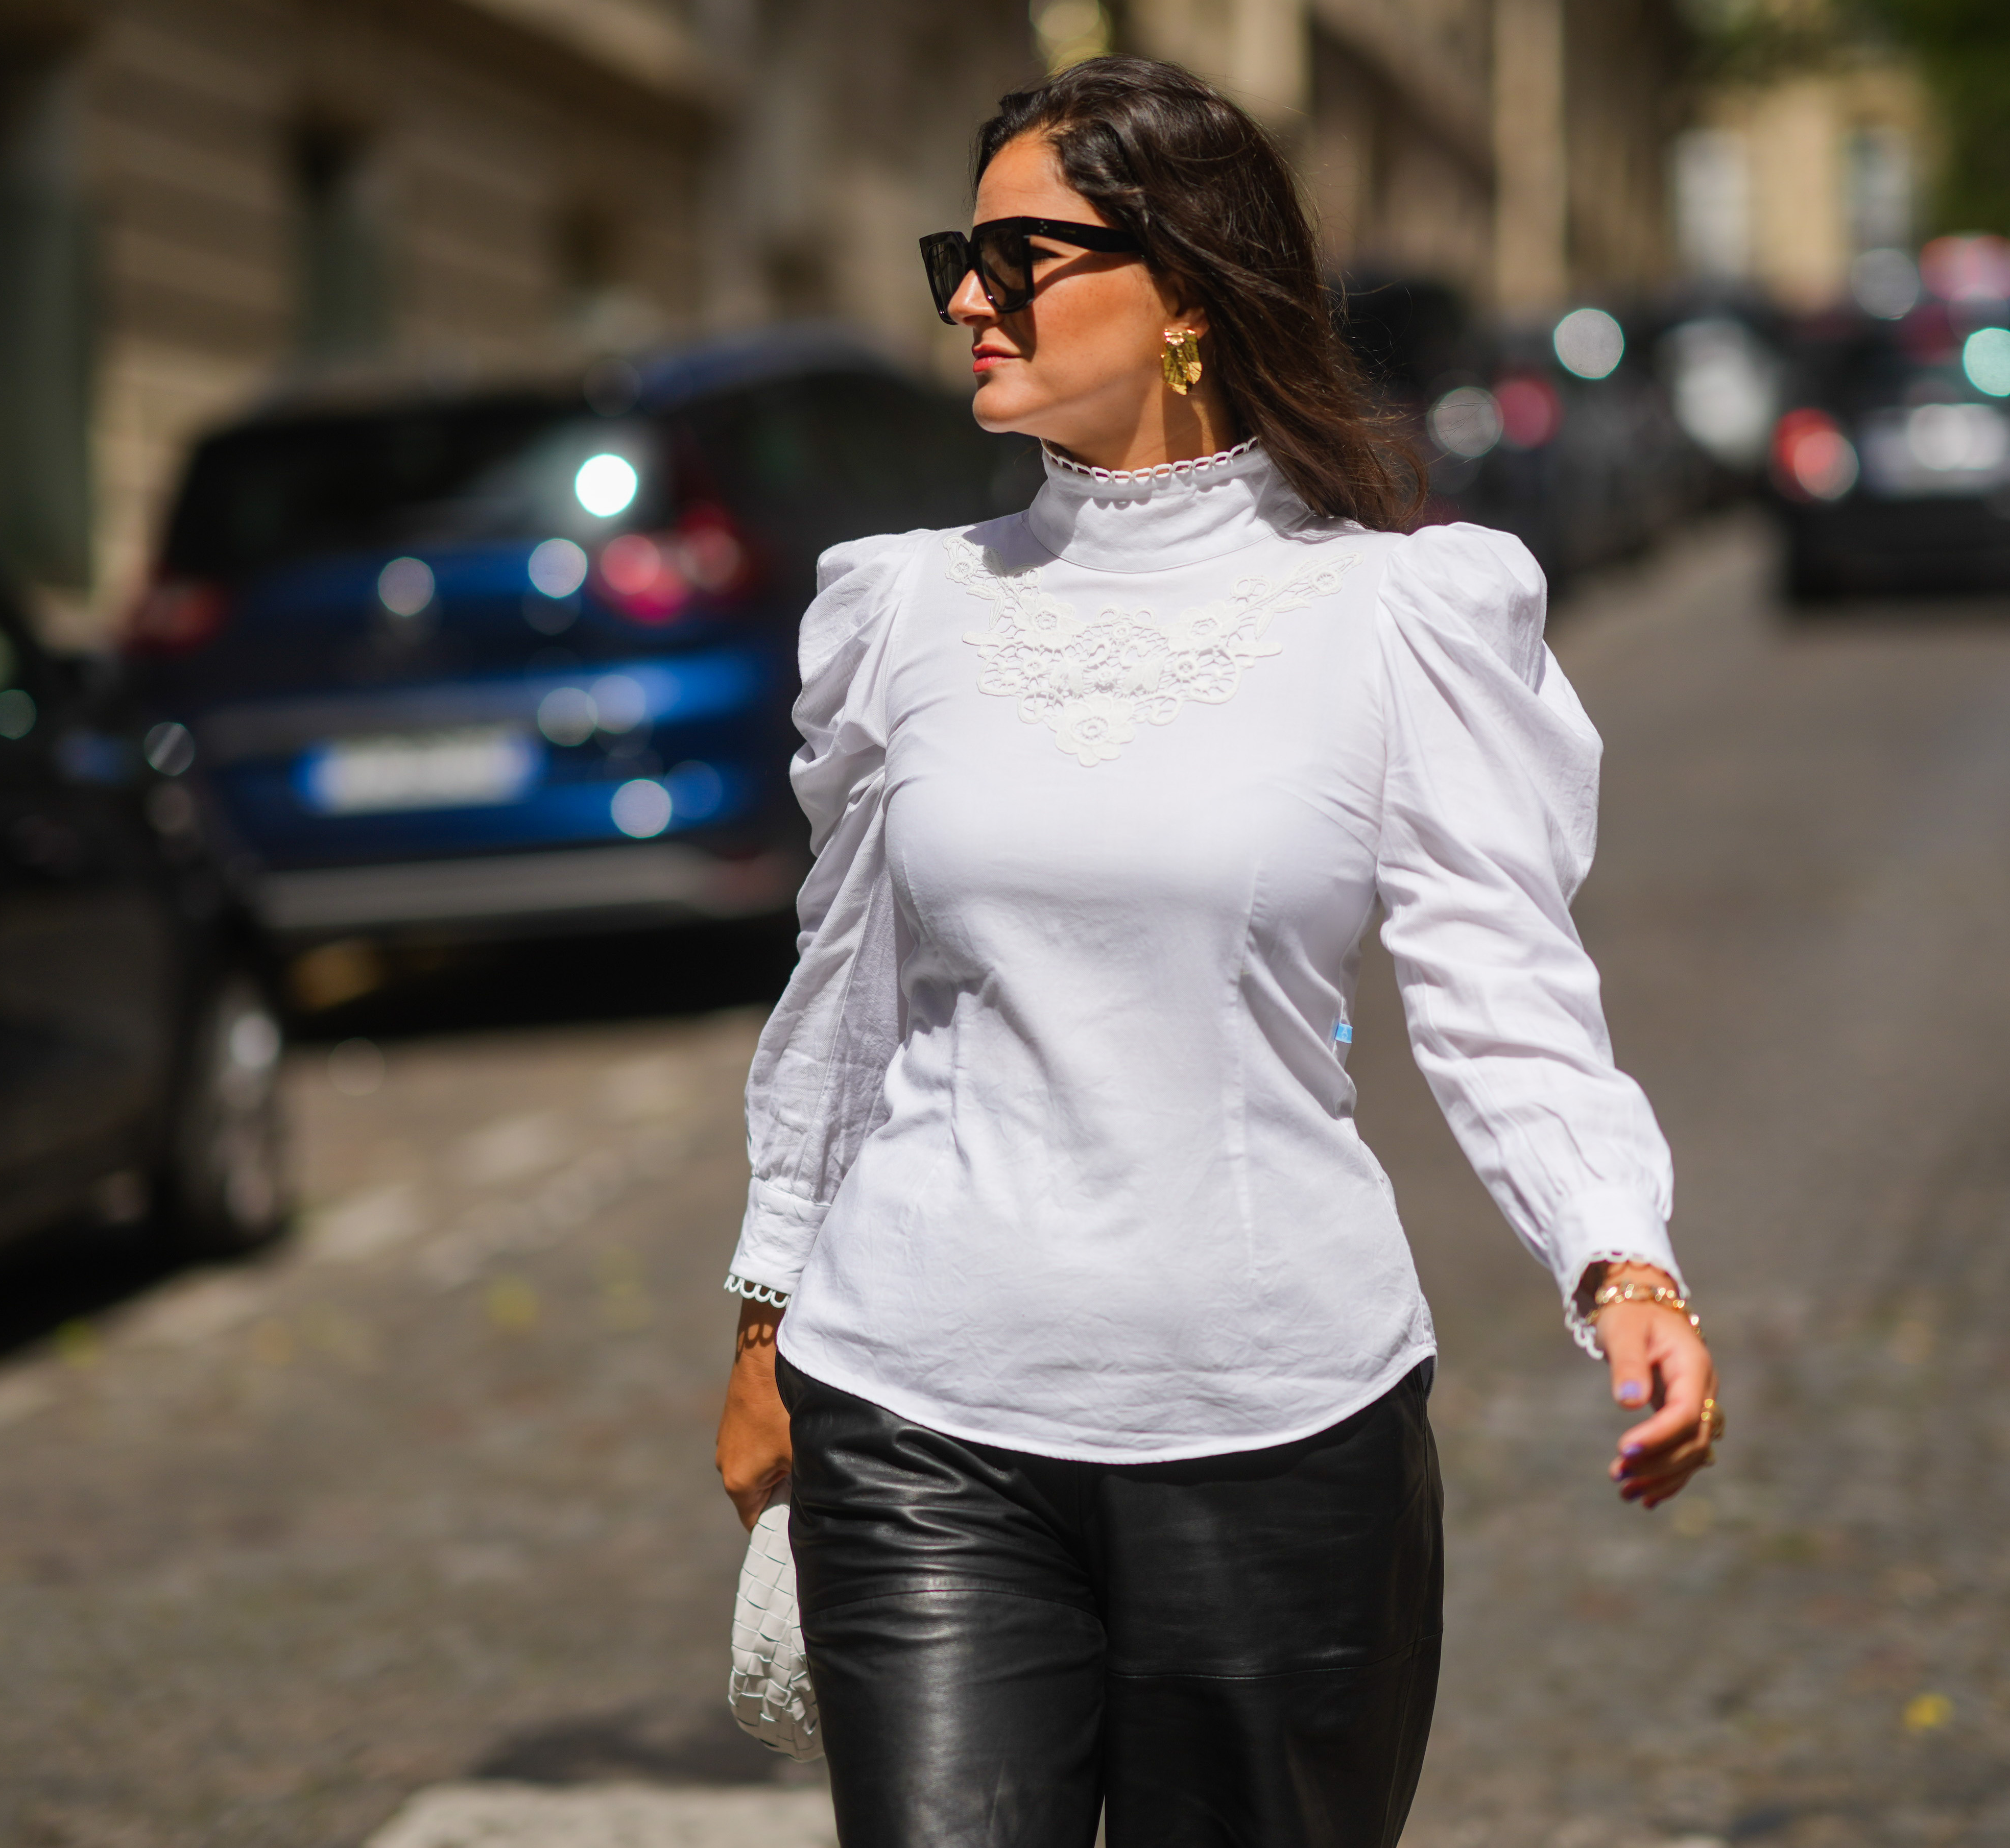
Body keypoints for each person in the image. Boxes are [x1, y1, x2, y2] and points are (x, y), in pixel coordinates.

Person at [713, 55, 1718, 1848]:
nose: (964, 297)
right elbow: (847, 989)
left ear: (1183, 290)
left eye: (1018, 255)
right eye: (962, 252)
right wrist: (768, 1310)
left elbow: (1501, 993)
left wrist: (1619, 1265)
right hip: (922, 1411)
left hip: (1277, 1428)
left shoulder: (1396, 614)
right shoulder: (907, 608)